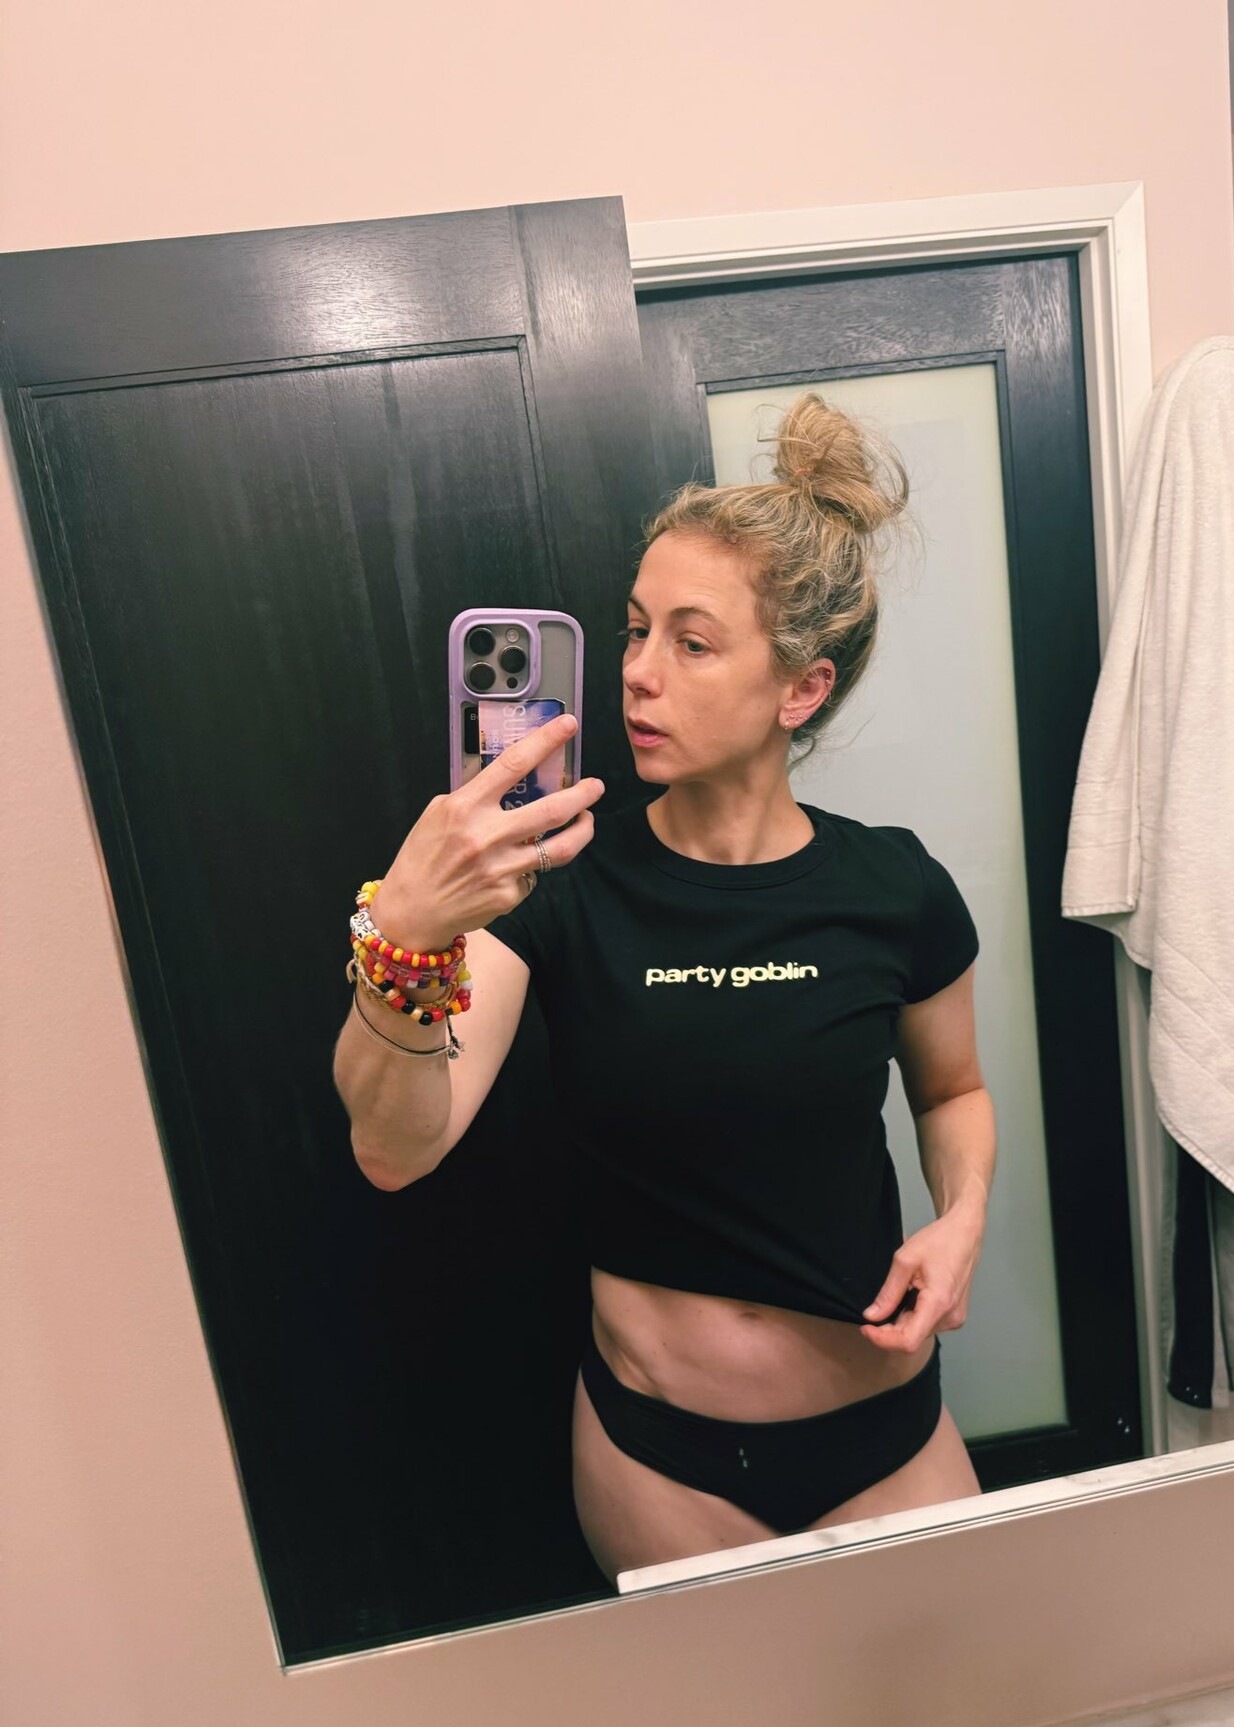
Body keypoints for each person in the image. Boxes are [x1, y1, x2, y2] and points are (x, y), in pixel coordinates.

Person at [336, 392, 996, 1586]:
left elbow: (952, 1093)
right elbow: (396, 1146)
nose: (637, 675)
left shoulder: (895, 888)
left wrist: (962, 1220)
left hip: (886, 1438)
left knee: (960, 1709)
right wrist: (407, 938)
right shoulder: (555, 885)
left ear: (800, 690)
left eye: (690, 644)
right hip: (663, 1465)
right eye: (634, 632)